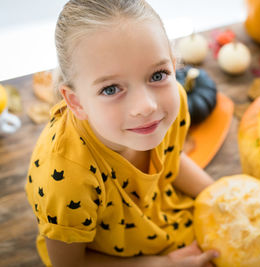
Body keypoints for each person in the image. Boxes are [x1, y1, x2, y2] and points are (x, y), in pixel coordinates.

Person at [25, 0, 219, 266]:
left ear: (174, 66)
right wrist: (165, 264)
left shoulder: (174, 104)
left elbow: (171, 159)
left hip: (161, 217)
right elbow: (69, 265)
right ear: (76, 102)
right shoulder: (64, 180)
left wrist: (219, 196)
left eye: (158, 74)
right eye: (111, 89)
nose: (146, 106)